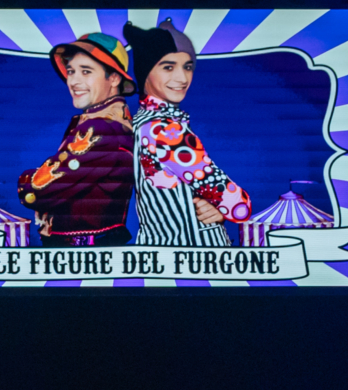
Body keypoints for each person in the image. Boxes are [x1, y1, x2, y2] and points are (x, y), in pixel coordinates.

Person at [124, 17, 251, 246]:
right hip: (196, 251)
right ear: (145, 71)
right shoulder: (163, 129)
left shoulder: (140, 121)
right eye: (168, 67)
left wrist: (214, 205)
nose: (182, 78)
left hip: (159, 249)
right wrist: (230, 206)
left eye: (188, 67)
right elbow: (234, 203)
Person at [15, 32, 136, 246]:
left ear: (114, 78)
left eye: (86, 71)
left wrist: (26, 179)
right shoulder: (112, 122)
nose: (74, 81)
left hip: (84, 253)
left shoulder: (102, 128)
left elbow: (38, 191)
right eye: (71, 71)